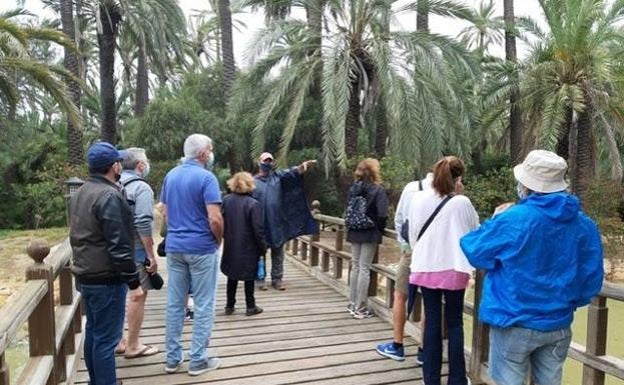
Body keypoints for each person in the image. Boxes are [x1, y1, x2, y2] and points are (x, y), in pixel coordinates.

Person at [460, 150, 604, 385]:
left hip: (514, 320)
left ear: (526, 184)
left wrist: (496, 219)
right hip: (558, 324)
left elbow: (474, 250)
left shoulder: (514, 218)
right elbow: (591, 278)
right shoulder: (584, 224)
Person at [69, 141, 143, 385]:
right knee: (106, 339)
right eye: (119, 162)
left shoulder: (81, 192)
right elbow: (119, 245)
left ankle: (97, 381)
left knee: (94, 332)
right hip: (106, 279)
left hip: (86, 275)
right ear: (114, 166)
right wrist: (134, 283)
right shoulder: (109, 195)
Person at [408, 156, 478, 385]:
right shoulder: (462, 202)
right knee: (455, 322)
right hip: (454, 268)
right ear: (459, 178)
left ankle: (431, 379)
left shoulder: (418, 199)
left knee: (432, 321)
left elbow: (412, 235)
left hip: (425, 267)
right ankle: (457, 379)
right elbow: (473, 234)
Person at [160, 134, 223, 376]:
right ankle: (198, 359)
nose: (211, 152)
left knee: (175, 304)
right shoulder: (207, 178)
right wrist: (217, 241)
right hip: (201, 247)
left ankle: (172, 359)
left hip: (175, 247)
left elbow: (164, 211)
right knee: (204, 304)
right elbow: (215, 218)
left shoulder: (171, 175)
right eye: (211, 148)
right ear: (203, 154)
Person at [376, 171, 433, 362]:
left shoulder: (412, 188)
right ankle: (424, 351)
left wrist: (405, 245)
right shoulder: (451, 193)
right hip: (433, 255)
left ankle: (397, 345)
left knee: (400, 295)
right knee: (429, 301)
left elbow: (399, 218)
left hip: (411, 251)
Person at [114, 148, 159, 359]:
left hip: (112, 251)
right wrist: (150, 254)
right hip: (135, 252)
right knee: (137, 297)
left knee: (117, 295)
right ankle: (133, 345)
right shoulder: (141, 188)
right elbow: (142, 222)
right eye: (146, 161)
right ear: (140, 165)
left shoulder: (113, 184)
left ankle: (118, 340)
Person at [253, 152, 317, 290]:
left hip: (276, 222)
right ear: (259, 162)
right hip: (260, 223)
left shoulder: (277, 177)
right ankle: (259, 279)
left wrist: (302, 167)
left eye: (270, 161)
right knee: (259, 253)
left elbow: (292, 173)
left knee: (278, 252)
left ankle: (277, 279)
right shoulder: (252, 181)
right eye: (265, 161)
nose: (267, 163)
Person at [345, 158, 389, 319]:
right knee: (364, 268)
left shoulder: (353, 189)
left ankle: (352, 303)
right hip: (370, 231)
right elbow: (382, 214)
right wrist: (381, 229)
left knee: (355, 266)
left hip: (355, 230)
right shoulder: (377, 190)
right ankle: (361, 307)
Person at [221, 172, 267, 316]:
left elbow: (222, 222)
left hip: (231, 244)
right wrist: (263, 247)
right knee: (249, 277)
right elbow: (258, 230)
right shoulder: (253, 204)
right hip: (248, 246)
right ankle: (250, 306)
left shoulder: (226, 200)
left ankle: (229, 305)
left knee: (232, 275)